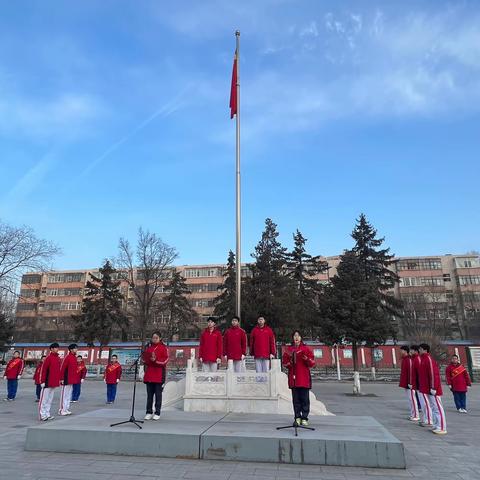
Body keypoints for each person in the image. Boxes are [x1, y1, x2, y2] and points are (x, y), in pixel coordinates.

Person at [282, 330, 315, 426]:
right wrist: (290, 363)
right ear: (292, 338)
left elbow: (312, 363)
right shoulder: (289, 350)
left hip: (304, 378)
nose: (296, 337)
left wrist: (307, 359)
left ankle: (304, 418)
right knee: (296, 400)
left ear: (301, 338)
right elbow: (285, 363)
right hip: (294, 378)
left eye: (298, 336)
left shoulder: (306, 349)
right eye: (294, 336)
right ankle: (297, 417)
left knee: (305, 399)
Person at [418, 343, 447, 435]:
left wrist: (433, 387)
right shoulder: (423, 359)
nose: (419, 351)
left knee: (437, 407)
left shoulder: (428, 359)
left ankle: (442, 427)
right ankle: (436, 425)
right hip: (428, 388)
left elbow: (433, 375)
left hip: (433, 389)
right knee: (434, 408)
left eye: (420, 349)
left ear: (425, 350)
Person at [142, 331, 169, 421]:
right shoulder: (148, 348)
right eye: (153, 337)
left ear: (160, 338)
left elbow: (165, 360)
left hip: (159, 374)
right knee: (149, 395)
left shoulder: (164, 348)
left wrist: (155, 360)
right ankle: (148, 412)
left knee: (158, 395)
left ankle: (157, 412)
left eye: (156, 338)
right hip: (149, 374)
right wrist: (146, 360)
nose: (154, 339)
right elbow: (145, 359)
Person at [38, 343, 62, 421]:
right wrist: (42, 381)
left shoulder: (58, 358)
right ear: (51, 349)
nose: (57, 349)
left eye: (58, 348)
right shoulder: (48, 358)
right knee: (44, 399)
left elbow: (58, 371)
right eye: (55, 348)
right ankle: (42, 415)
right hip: (47, 382)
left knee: (49, 399)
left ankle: (47, 413)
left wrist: (59, 380)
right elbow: (43, 370)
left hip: (54, 382)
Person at [399, 345, 419, 421]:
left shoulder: (409, 360)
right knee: (410, 399)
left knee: (412, 399)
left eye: (401, 350)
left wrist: (410, 383)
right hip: (406, 383)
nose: (400, 352)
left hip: (409, 384)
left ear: (405, 351)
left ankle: (416, 415)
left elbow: (411, 372)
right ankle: (412, 414)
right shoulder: (405, 359)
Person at [58, 343, 78, 415]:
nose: (76, 350)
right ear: (71, 350)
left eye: (76, 348)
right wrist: (61, 378)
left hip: (72, 379)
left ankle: (66, 409)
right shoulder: (67, 357)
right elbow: (62, 368)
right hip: (66, 379)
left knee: (68, 395)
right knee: (64, 395)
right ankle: (61, 410)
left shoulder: (74, 357)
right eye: (75, 348)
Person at [409, 345, 422, 416]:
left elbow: (419, 373)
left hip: (418, 384)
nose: (410, 351)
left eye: (411, 350)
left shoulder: (417, 359)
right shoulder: (413, 359)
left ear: (416, 351)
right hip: (415, 383)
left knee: (421, 398)